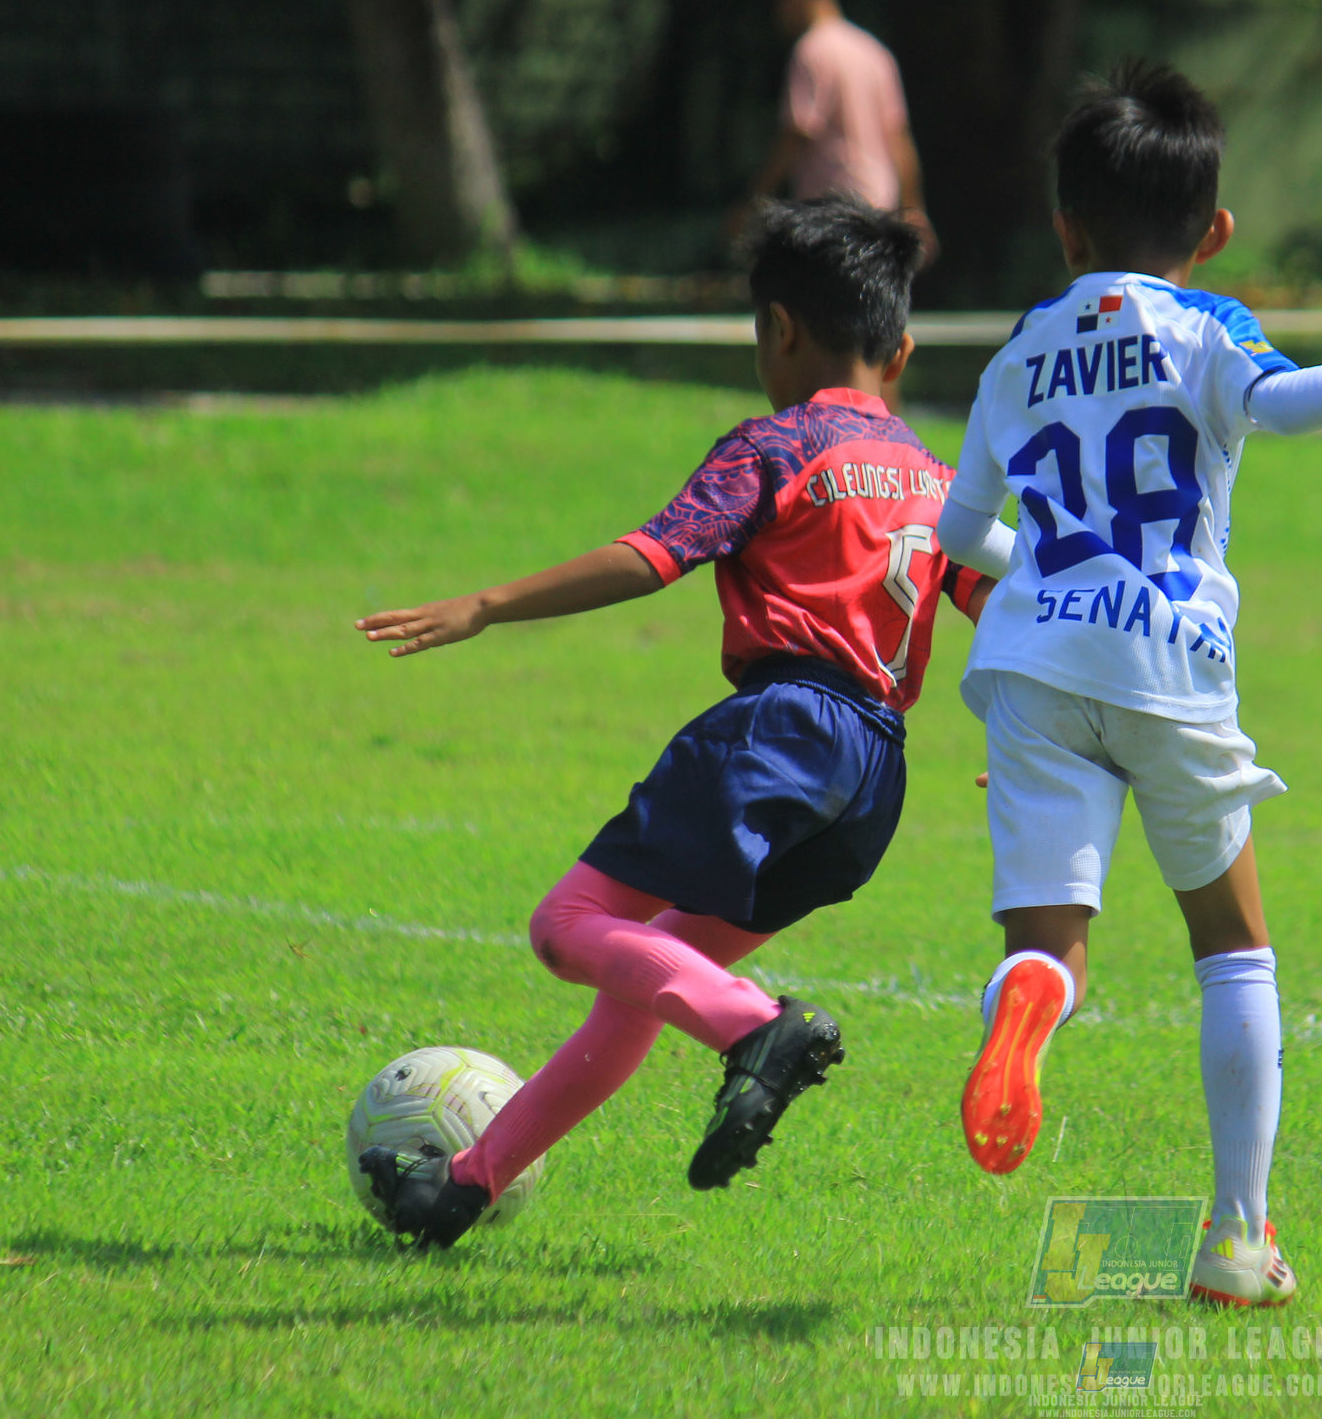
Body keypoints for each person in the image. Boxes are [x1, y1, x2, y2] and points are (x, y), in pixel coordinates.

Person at [936, 61, 1322, 1307]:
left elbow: (960, 536)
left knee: (1048, 940)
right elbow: (1285, 401)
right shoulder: (1208, 328)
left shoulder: (1017, 348)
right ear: (1215, 232)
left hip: (1032, 661)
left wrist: (1041, 575)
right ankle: (1235, 1240)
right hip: (1169, 663)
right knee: (1231, 951)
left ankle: (1026, 1015)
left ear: (1065, 228)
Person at [353, 195, 1013, 1249]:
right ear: (902, 349)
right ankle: (462, 1186)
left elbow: (654, 553)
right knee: (641, 982)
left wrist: (485, 604)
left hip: (781, 731)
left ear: (779, 329)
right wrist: (1032, 749)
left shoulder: (777, 446)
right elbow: (1015, 613)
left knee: (565, 927)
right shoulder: (941, 485)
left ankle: (760, 1027)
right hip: (873, 784)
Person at [730, 0, 936, 264]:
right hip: (879, 209)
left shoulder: (811, 51)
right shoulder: (874, 52)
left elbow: (798, 133)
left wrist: (754, 202)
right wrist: (914, 211)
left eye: (780, 1)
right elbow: (898, 137)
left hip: (831, 214)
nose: (778, 12)